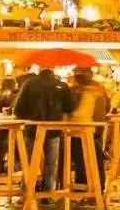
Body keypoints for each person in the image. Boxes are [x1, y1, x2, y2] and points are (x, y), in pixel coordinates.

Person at [14, 62, 75, 191]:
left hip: (32, 127)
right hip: (54, 128)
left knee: (30, 160)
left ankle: (28, 187)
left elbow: (18, 108)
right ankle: (48, 191)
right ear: (53, 71)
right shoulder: (61, 85)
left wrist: (26, 117)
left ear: (39, 70)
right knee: (51, 161)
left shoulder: (29, 84)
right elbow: (69, 108)